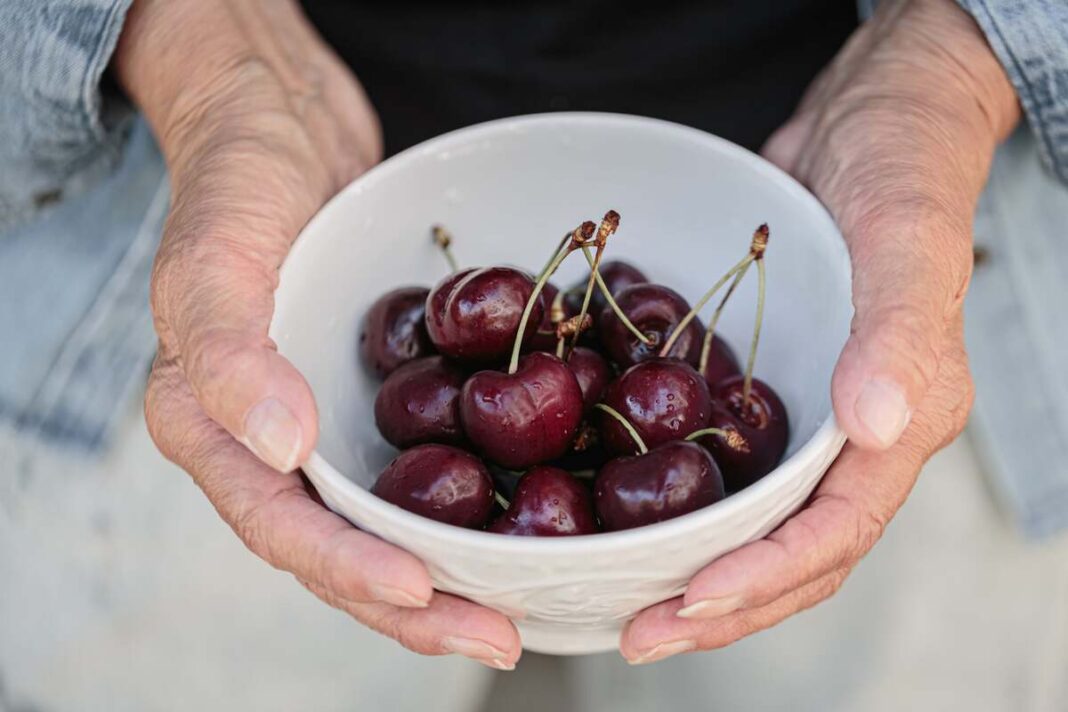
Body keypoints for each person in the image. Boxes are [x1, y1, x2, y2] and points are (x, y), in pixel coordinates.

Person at [1, 0, 1066, 709]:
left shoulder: (652, 381)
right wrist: (186, 42)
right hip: (212, 229)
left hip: (909, 238)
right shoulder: (522, 373)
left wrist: (962, 58)